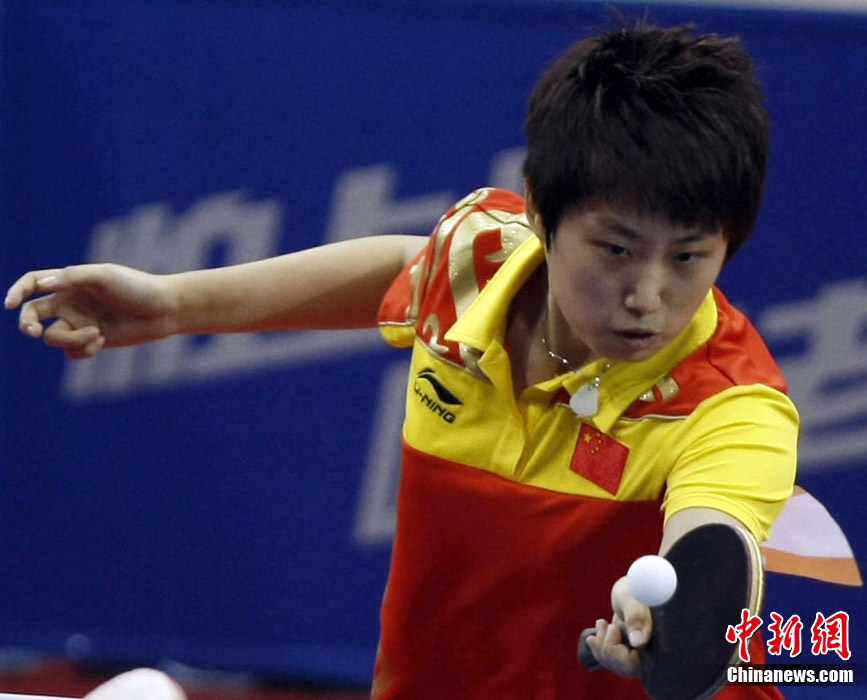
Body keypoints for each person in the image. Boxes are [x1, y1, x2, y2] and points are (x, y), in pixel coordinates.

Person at [6, 22, 796, 700]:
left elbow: (716, 538)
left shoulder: (730, 406)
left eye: (687, 257)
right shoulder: (476, 258)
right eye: (615, 249)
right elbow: (403, 267)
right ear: (538, 208)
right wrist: (172, 305)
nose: (647, 296)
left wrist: (674, 615)